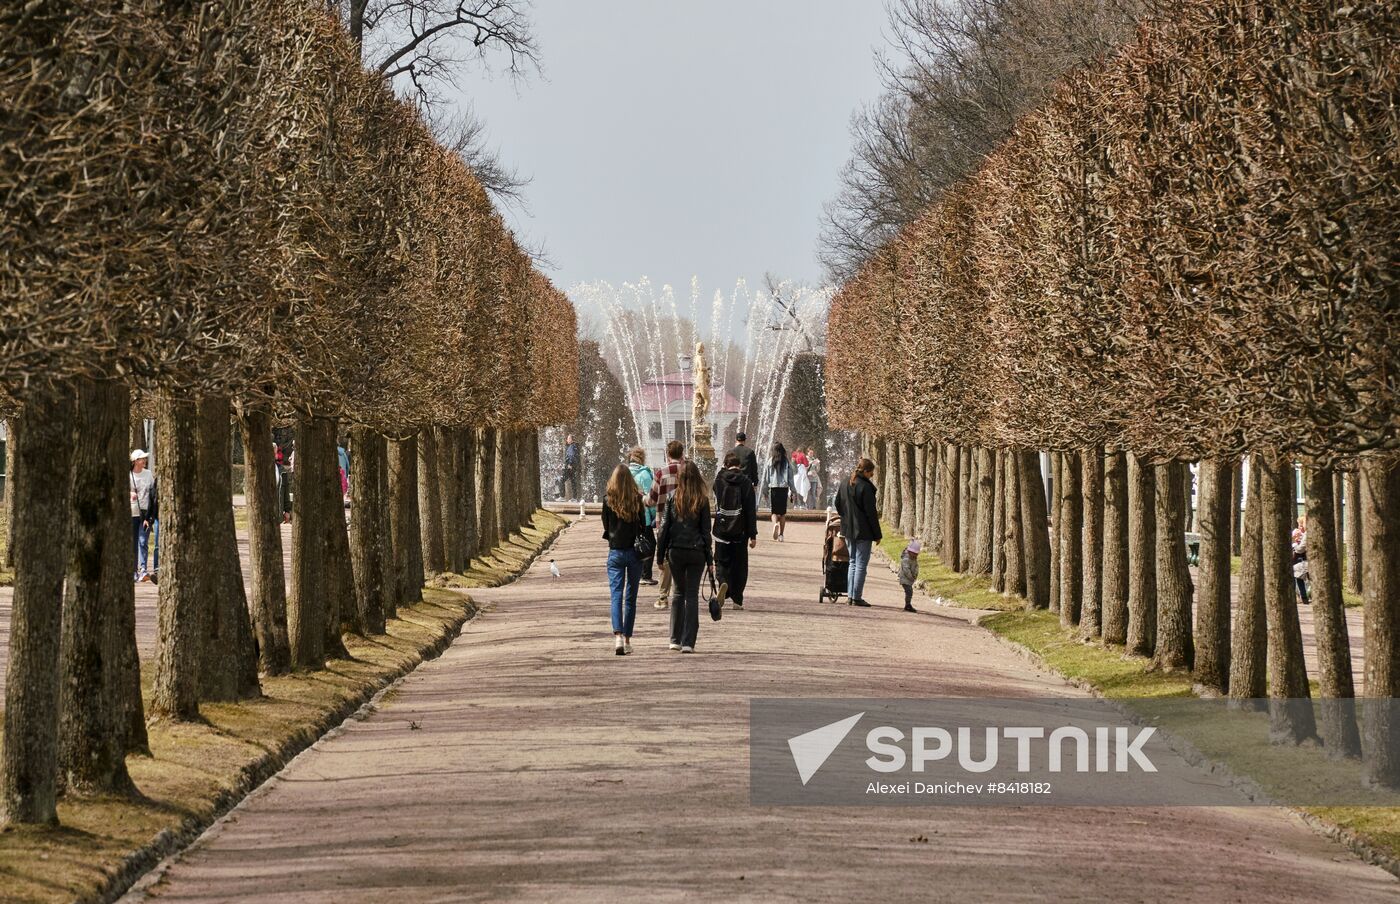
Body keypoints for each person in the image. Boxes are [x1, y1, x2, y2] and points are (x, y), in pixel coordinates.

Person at [656, 461, 713, 653]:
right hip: (696, 551)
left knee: (678, 593)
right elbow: (706, 532)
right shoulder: (702, 499)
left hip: (676, 551)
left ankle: (674, 639)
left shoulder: (673, 497)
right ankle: (688, 641)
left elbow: (663, 528)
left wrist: (659, 555)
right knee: (691, 595)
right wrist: (710, 559)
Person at [602, 463, 646, 656]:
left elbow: (606, 524)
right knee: (631, 597)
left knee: (616, 594)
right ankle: (628, 639)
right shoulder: (637, 500)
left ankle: (618, 635)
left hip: (616, 552)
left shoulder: (608, 500)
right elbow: (643, 526)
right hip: (634, 553)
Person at [712, 451, 758, 609]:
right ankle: (737, 600)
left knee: (720, 561)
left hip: (721, 529)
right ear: (740, 466)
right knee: (739, 564)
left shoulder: (719, 479)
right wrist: (753, 534)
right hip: (741, 530)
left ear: (725, 464)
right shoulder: (746, 482)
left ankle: (723, 583)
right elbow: (751, 510)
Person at [645, 439, 687, 609]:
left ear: (668, 455)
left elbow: (652, 499)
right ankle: (680, 593)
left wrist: (642, 499)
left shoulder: (661, 473)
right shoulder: (687, 471)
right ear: (681, 453)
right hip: (685, 520)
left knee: (664, 556)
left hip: (663, 520)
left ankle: (663, 596)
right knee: (682, 554)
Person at [835, 457, 881, 607]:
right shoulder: (865, 487)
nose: (872, 476)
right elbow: (871, 513)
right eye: (871, 473)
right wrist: (877, 534)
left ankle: (851, 596)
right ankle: (856, 597)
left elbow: (837, 503)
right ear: (866, 472)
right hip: (863, 531)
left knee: (852, 563)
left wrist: (845, 517)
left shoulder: (844, 483)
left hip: (848, 529)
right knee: (861, 564)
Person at [627, 447, 658, 585]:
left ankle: (634, 574)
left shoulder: (625, 472)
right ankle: (645, 575)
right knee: (649, 544)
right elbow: (649, 498)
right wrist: (653, 516)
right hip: (643, 516)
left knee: (633, 543)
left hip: (627, 515)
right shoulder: (644, 474)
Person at [130, 449, 156, 582]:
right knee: (133, 543)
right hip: (133, 512)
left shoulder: (148, 474)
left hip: (146, 514)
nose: (144, 461)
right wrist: (131, 494)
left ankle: (143, 569)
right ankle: (133, 571)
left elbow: (153, 494)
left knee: (143, 541)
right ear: (135, 461)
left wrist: (150, 515)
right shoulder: (129, 475)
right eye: (142, 459)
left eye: (145, 459)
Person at [767, 442, 791, 541]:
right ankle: (781, 535)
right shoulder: (786, 462)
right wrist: (792, 490)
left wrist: (765, 489)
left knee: (774, 512)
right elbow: (790, 477)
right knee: (782, 513)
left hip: (774, 488)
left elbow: (767, 477)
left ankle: (775, 524)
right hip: (783, 489)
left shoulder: (770, 461)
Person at [898, 538, 921, 613]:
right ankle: (907, 605)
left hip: (910, 578)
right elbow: (906, 570)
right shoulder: (906, 559)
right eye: (914, 554)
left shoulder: (913, 559)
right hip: (905, 579)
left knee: (909, 591)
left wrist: (915, 574)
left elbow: (915, 566)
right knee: (909, 591)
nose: (915, 555)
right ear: (909, 551)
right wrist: (911, 577)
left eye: (916, 554)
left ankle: (908, 604)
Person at [1291, 515, 1310, 605]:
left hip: (1306, 560)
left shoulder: (1307, 534)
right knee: (1298, 574)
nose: (1299, 527)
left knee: (1296, 572)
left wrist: (1295, 544)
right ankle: (1303, 596)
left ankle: (1303, 596)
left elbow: (1300, 549)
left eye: (1301, 525)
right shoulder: (1302, 534)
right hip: (1303, 559)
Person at [562, 434, 580, 501]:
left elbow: (572, 456)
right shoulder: (573, 446)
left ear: (572, 439)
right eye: (567, 438)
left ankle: (562, 496)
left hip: (570, 467)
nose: (567, 440)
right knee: (573, 482)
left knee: (561, 479)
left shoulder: (572, 446)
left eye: (568, 438)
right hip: (573, 466)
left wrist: (570, 464)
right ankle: (574, 498)